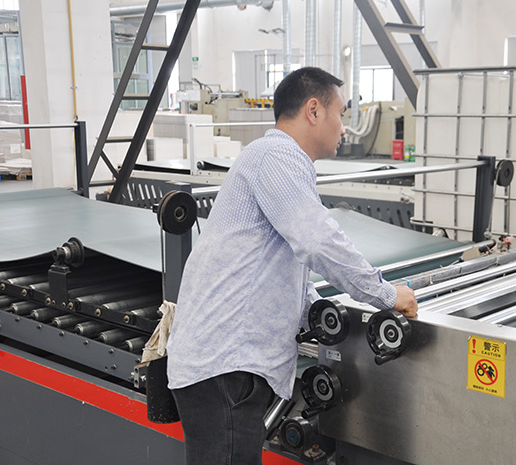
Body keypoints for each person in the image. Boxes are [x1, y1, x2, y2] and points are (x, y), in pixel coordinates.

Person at [166, 67, 418, 465]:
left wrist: (317, 309)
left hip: (223, 366)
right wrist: (386, 294)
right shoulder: (277, 157)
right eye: (341, 114)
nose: (345, 128)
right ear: (313, 110)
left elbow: (277, 264)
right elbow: (318, 240)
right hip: (225, 368)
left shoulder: (272, 159)